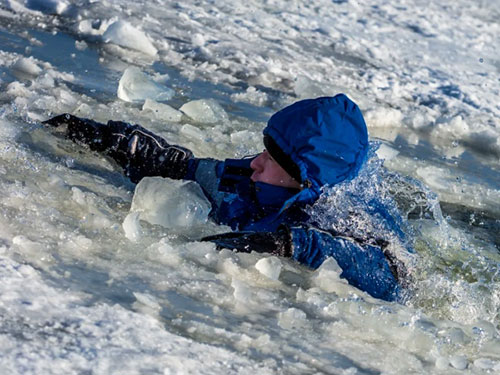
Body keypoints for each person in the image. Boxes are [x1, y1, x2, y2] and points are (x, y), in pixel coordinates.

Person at [43, 94, 406, 301]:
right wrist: (117, 141)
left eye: (273, 159)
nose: (257, 163)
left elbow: (387, 274)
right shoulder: (250, 181)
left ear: (304, 181)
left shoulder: (345, 217)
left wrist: (287, 244)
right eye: (265, 150)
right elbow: (183, 167)